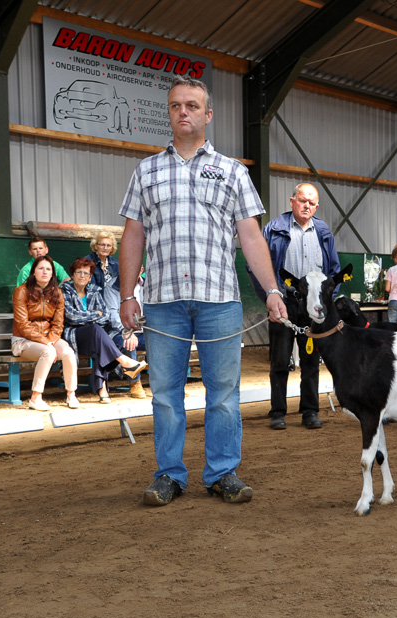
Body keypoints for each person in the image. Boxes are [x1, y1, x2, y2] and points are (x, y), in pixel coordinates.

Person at [118, 75, 287, 507]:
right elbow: (133, 236)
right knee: (166, 395)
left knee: (224, 394)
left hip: (220, 300)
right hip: (163, 300)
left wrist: (271, 289)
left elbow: (250, 236)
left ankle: (222, 473)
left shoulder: (232, 171)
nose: (183, 112)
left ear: (208, 115)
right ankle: (169, 475)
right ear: (170, 113)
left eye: (192, 106)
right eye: (176, 106)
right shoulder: (147, 170)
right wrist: (127, 294)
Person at [252, 182, 340, 431]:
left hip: (313, 307)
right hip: (284, 303)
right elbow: (255, 265)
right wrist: (269, 298)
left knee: (311, 361)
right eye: (303, 201)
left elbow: (333, 271)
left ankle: (310, 411)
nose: (307, 206)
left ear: (317, 206)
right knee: (280, 360)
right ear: (292, 202)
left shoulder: (324, 232)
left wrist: (325, 302)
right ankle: (278, 412)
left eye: (312, 203)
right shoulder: (274, 229)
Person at [61, 257, 147, 403]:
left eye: (86, 274)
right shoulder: (64, 291)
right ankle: (123, 363)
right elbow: (71, 317)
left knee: (99, 343)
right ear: (73, 274)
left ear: (90, 278)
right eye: (79, 272)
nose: (82, 276)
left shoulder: (95, 291)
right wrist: (95, 315)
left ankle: (103, 389)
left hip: (94, 336)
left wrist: (91, 317)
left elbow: (105, 316)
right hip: (74, 336)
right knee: (97, 330)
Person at [11, 256, 80, 411]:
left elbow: (58, 324)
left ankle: (71, 394)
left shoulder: (57, 293)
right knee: (48, 352)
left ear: (52, 274)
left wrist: (51, 340)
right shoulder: (21, 291)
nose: (44, 272)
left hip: (49, 338)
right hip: (23, 340)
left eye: (48, 269)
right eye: (40, 268)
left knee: (68, 352)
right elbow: (22, 325)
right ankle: (35, 398)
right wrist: (46, 342)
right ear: (33, 272)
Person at [87, 231, 147, 398]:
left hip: (143, 331)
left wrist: (140, 326)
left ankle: (163, 382)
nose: (129, 271)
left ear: (141, 269)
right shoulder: (113, 287)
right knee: (130, 342)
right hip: (119, 331)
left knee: (161, 342)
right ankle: (135, 384)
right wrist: (128, 330)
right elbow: (113, 315)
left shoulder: (147, 288)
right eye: (126, 267)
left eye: (134, 268)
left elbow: (149, 313)